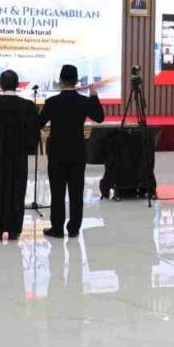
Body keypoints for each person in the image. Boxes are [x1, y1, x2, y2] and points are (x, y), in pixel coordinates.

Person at [39, 65, 105, 239]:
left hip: (57, 153)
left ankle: (57, 228)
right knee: (76, 193)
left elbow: (39, 123)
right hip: (77, 152)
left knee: (57, 193)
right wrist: (94, 97)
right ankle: (74, 229)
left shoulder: (51, 102)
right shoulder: (84, 101)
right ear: (76, 81)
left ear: (60, 81)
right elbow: (99, 118)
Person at [0, 70, 40, 241]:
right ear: (18, 85)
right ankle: (14, 230)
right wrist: (26, 149)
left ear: (0, 85)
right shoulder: (28, 106)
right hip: (18, 158)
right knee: (16, 191)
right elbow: (33, 135)